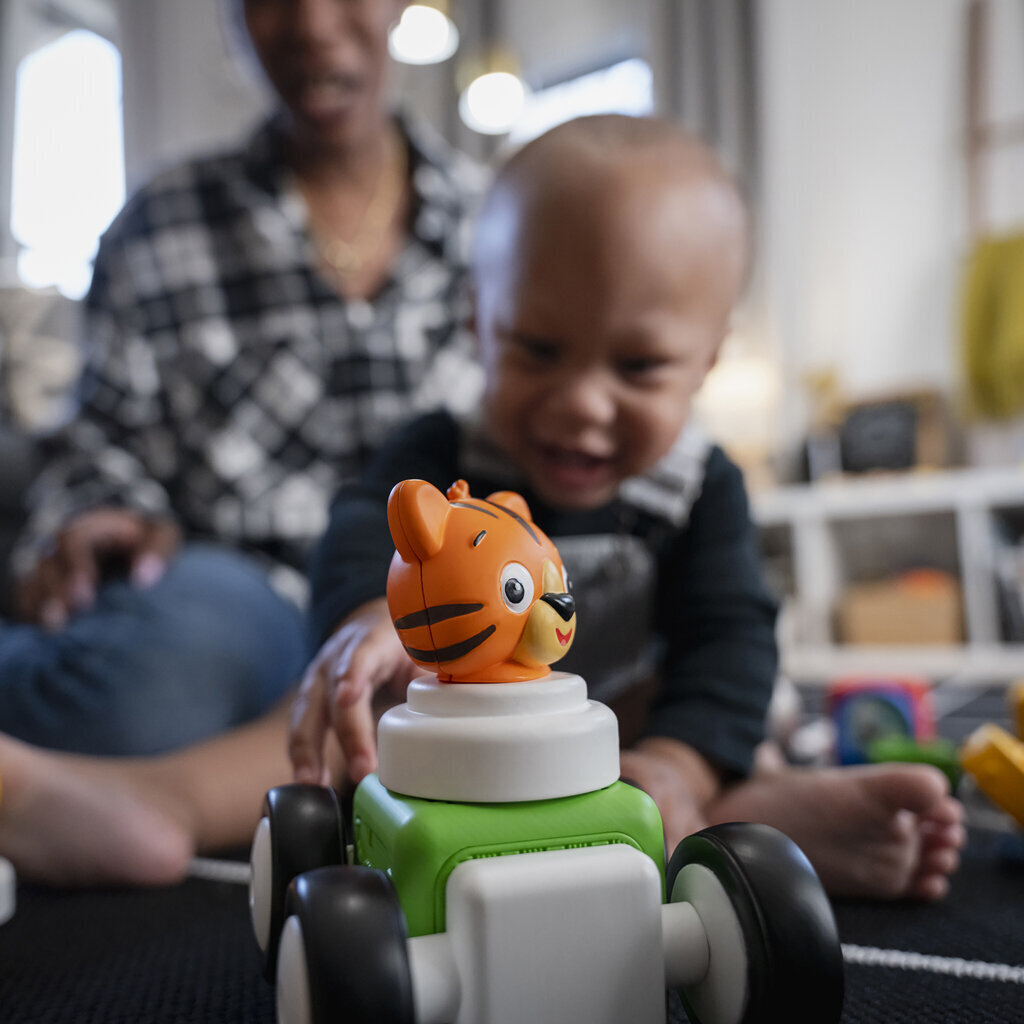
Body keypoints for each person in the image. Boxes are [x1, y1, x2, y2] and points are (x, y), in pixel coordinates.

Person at [0, 114, 964, 901]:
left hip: (627, 735)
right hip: (453, 734)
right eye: (538, 351)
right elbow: (352, 534)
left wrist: (677, 763)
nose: (582, 403)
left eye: (638, 367)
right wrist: (376, 618)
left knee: (707, 735)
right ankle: (156, 804)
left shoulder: (699, 486)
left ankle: (735, 819)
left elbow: (731, 639)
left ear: (707, 362)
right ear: (478, 323)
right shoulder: (441, 456)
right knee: (332, 716)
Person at [0, 0, 484, 755]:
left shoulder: (496, 226)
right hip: (248, 594)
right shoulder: (160, 227)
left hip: (458, 593)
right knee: (143, 687)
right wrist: (103, 511)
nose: (313, 24)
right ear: (234, 22)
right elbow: (99, 441)